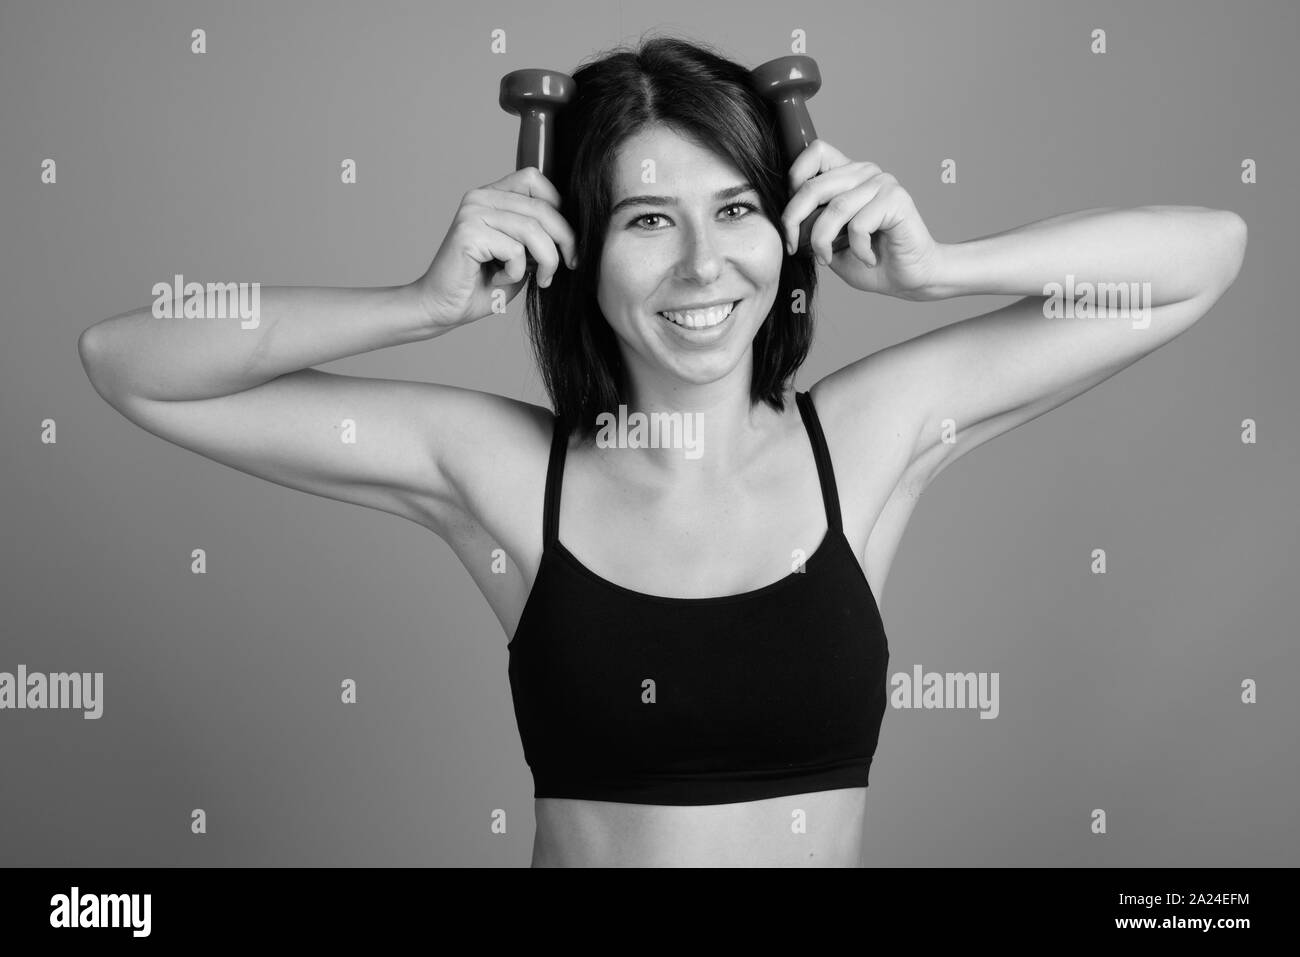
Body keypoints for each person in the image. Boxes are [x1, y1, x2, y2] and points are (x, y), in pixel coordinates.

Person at [76, 35, 1247, 867]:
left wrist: (943, 269)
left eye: (736, 210)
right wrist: (416, 303)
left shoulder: (866, 439)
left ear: (786, 233)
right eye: (647, 221)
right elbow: (126, 359)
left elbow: (1207, 252)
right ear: (574, 249)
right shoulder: (501, 475)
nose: (702, 267)